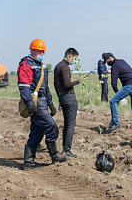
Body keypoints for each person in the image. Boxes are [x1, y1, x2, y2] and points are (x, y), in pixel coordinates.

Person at [18, 39, 67, 170]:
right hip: (35, 102)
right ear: (32, 50)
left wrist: (50, 103)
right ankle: (54, 154)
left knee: (37, 131)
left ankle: (28, 162)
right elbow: (24, 86)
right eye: (39, 51)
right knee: (51, 126)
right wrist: (30, 104)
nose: (42, 53)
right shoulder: (26, 64)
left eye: (43, 51)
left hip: (43, 101)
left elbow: (45, 88)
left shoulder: (41, 66)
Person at [54, 48, 84, 158]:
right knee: (70, 125)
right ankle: (67, 149)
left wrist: (60, 97)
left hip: (62, 97)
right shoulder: (65, 67)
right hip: (69, 97)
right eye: (75, 58)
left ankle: (65, 148)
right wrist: (79, 81)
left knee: (67, 124)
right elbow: (67, 84)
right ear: (69, 56)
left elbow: (55, 85)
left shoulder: (57, 66)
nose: (75, 61)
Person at [103, 53, 132, 133]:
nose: (107, 64)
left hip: (130, 85)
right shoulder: (121, 61)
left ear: (110, 58)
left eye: (107, 62)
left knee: (112, 101)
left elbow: (113, 83)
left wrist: (118, 95)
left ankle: (116, 123)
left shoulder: (114, 66)